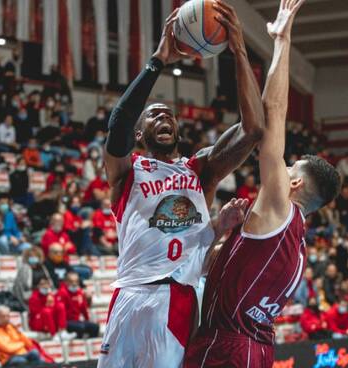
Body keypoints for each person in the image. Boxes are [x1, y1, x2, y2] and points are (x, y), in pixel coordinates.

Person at [98, 4, 267, 366]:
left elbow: (253, 129)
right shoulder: (127, 170)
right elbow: (119, 122)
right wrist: (157, 60)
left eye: (170, 115)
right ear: (141, 132)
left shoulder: (199, 170)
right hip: (127, 295)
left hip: (176, 299)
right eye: (155, 114)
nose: (165, 118)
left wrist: (238, 50)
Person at [184, 2, 342, 367]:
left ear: (296, 183)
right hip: (256, 351)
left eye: (288, 167)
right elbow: (215, 270)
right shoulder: (295, 242)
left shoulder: (278, 206)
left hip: (225, 347)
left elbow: (274, 113)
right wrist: (222, 233)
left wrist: (282, 40)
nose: (280, 167)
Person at [57, 271, 99, 338]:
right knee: (80, 328)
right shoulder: (62, 293)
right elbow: (59, 312)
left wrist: (87, 320)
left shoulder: (79, 292)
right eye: (71, 281)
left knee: (95, 327)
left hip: (76, 321)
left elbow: (83, 308)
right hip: (66, 322)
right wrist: (62, 327)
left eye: (76, 281)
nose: (74, 284)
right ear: (66, 282)